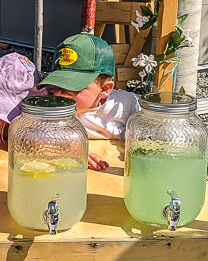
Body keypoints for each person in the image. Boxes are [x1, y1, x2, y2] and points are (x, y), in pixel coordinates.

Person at [40, 32, 140, 170]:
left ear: (104, 89)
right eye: (57, 85)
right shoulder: (52, 106)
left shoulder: (127, 106)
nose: (60, 95)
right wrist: (66, 149)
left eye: (73, 88)